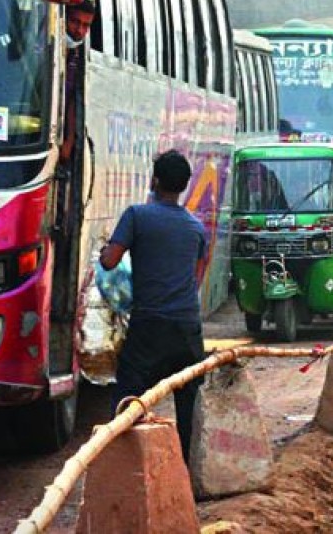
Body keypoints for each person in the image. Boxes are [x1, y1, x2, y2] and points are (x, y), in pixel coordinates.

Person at [99, 150, 209, 462]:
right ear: (184, 186)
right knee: (189, 404)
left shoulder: (137, 215)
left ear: (155, 180)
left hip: (149, 325)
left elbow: (110, 261)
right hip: (188, 328)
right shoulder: (197, 229)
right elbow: (196, 280)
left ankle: (121, 465)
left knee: (128, 401)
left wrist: (106, 249)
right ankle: (185, 475)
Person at [61, 0, 95, 162]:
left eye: (86, 26)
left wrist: (68, 142)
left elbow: (75, 99)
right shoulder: (40, 45)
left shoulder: (78, 57)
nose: (79, 31)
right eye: (75, 22)